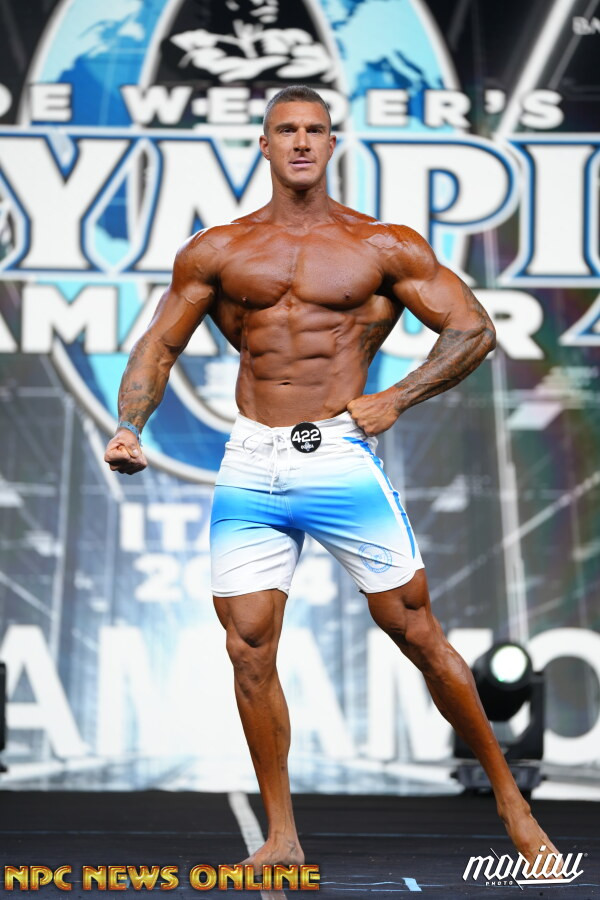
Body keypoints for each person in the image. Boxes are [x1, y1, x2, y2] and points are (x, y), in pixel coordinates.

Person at [105, 85, 558, 874]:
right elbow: (158, 344)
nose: (301, 142)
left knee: (415, 631)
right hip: (251, 459)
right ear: (264, 144)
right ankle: (282, 836)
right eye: (286, 129)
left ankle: (512, 804)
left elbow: (472, 328)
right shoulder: (218, 251)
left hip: (339, 455)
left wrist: (397, 397)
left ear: (331, 143)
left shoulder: (381, 246)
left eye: (314, 129)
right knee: (247, 648)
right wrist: (129, 426)